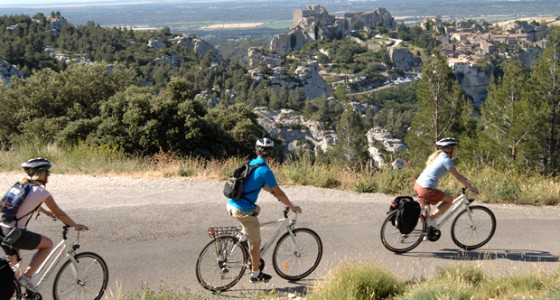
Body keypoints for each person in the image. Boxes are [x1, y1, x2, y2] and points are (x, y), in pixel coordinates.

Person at [0, 158, 88, 293]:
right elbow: (60, 214)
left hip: (2, 230)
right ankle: (27, 277)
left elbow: (25, 203)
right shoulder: (41, 192)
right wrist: (76, 225)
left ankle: (17, 291)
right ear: (41, 173)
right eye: (47, 172)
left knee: (15, 266)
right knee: (48, 244)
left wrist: (46, 212)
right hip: (15, 233)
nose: (48, 176)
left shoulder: (21, 185)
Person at [226, 138, 302, 283]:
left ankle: (245, 242)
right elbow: (279, 192)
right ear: (271, 154)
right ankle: (256, 274)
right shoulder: (265, 171)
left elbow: (261, 185)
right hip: (241, 209)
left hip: (231, 204)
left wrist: (274, 195)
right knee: (256, 243)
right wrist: (292, 206)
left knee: (256, 210)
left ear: (256, 151)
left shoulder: (251, 163)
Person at [414, 138, 477, 227]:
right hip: (426, 189)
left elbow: (458, 174)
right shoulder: (446, 160)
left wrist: (465, 179)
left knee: (426, 213)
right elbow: (458, 177)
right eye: (454, 148)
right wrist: (471, 187)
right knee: (449, 200)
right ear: (448, 149)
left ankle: (425, 231)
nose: (455, 151)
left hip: (418, 185)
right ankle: (430, 221)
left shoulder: (439, 156)